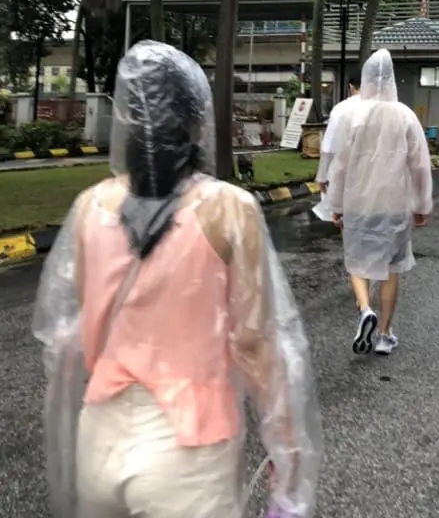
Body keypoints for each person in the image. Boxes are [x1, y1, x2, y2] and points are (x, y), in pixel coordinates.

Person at [32, 40, 321, 518]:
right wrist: (289, 458)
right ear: (196, 122)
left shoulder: (89, 208)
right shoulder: (228, 210)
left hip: (99, 439)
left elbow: (84, 331)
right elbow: (258, 345)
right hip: (190, 453)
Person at [328, 49, 433, 357]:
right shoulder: (405, 115)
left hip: (358, 202)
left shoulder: (351, 115)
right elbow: (420, 165)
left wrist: (335, 204)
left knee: (356, 261)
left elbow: (340, 165)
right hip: (395, 204)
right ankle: (385, 334)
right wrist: (422, 204)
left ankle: (364, 309)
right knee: (390, 268)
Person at [311, 70, 361, 222]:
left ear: (351, 87)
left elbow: (329, 146)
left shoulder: (341, 109)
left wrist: (322, 176)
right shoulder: (390, 109)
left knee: (345, 218)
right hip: (381, 179)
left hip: (347, 173)